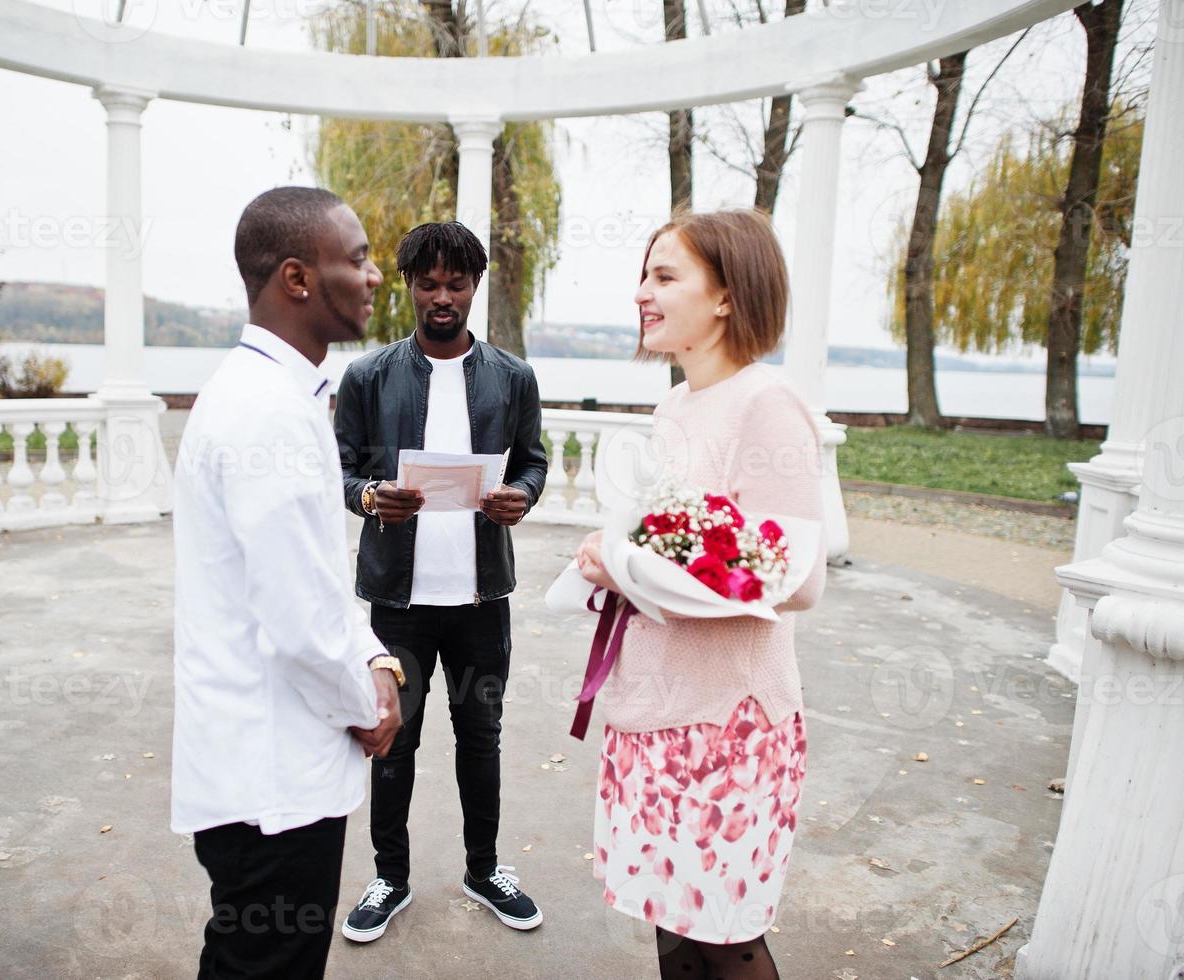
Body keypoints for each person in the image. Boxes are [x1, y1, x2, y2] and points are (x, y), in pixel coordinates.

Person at [575, 209, 825, 980]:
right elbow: (678, 538)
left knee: (724, 937)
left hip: (727, 725)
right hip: (655, 707)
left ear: (725, 296)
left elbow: (797, 578)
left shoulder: (765, 403)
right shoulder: (675, 406)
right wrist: (617, 558)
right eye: (643, 276)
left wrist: (628, 568)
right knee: (671, 924)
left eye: (664, 275)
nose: (642, 294)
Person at [171, 186, 406, 980]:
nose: (377, 276)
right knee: (265, 965)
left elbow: (311, 577)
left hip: (269, 759)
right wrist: (367, 703)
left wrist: (373, 654)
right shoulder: (265, 411)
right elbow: (296, 617)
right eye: (361, 258)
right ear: (298, 279)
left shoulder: (277, 392)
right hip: (269, 775)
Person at [333, 221, 549, 942]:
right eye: (428, 284)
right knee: (393, 740)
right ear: (408, 287)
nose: (442, 297)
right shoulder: (368, 377)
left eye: (456, 283)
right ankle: (389, 877)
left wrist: (522, 495)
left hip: (482, 599)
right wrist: (369, 497)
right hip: (398, 600)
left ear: (474, 286)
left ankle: (483, 869)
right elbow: (339, 472)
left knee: (479, 736)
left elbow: (533, 463)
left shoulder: (512, 377)